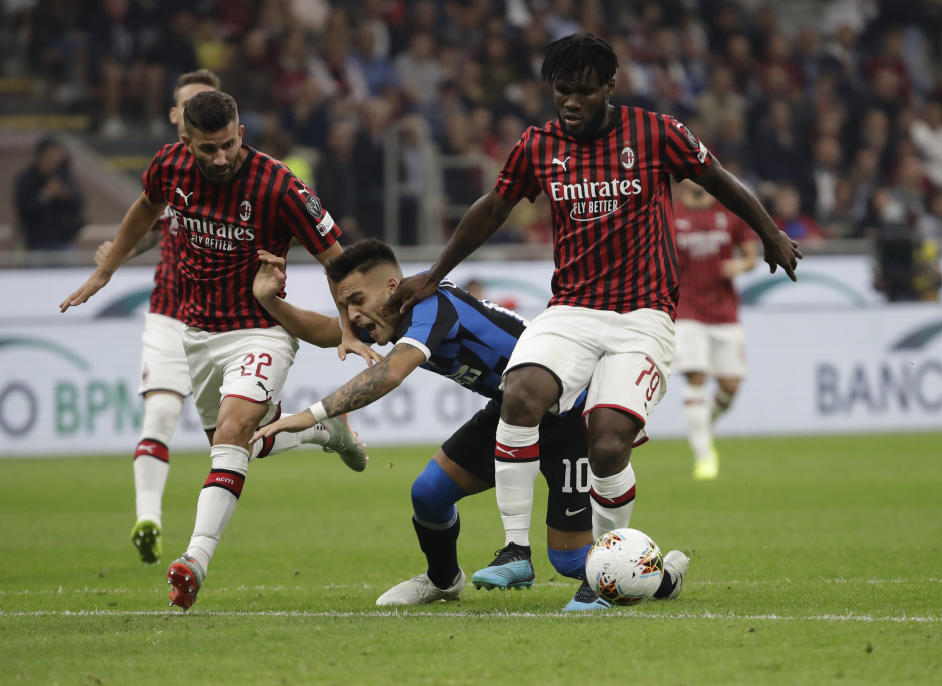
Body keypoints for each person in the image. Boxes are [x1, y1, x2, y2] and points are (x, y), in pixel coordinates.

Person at [388, 34, 801, 588]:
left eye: (584, 91)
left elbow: (717, 179)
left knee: (607, 443)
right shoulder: (537, 145)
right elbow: (492, 209)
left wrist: (769, 233)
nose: (571, 103)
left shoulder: (657, 133)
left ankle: (610, 574)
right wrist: (433, 275)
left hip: (643, 316)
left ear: (611, 85)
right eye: (562, 92)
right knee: (519, 394)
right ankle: (514, 551)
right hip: (571, 310)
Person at [248, 239, 688, 611]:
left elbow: (392, 373)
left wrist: (307, 417)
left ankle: (664, 576)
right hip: (511, 412)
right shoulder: (390, 317)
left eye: (357, 301)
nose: (352, 316)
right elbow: (325, 330)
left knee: (574, 562)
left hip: (569, 416)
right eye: (345, 305)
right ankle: (443, 581)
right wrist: (272, 301)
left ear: (392, 286)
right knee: (428, 493)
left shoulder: (435, 304)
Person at [60, 90, 370, 610]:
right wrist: (106, 268)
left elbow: (336, 258)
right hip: (197, 334)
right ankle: (322, 430)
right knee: (235, 445)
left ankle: (193, 562)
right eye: (209, 149)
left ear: (241, 134)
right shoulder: (168, 166)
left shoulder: (280, 185)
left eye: (229, 145)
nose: (221, 157)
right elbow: (144, 208)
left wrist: (349, 324)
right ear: (187, 142)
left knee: (231, 430)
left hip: (260, 328)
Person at [672, 180, 758, 480]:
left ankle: (702, 424)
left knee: (731, 386)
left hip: (724, 310)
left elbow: (751, 254)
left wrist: (741, 265)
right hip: (687, 309)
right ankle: (704, 456)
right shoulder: (671, 215)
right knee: (697, 375)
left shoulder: (728, 212)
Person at [14, 136, 85, 250]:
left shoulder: (64, 175)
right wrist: (46, 194)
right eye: (53, 152)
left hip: (63, 240)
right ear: (42, 154)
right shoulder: (26, 179)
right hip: (37, 243)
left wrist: (64, 194)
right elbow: (24, 208)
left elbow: (79, 202)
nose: (57, 157)